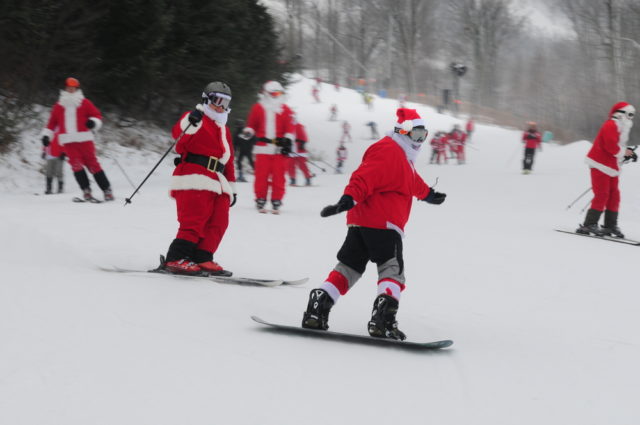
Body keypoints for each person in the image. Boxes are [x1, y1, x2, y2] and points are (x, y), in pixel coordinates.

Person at [301, 108, 447, 340]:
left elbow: (410, 181)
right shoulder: (388, 151)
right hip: (384, 225)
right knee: (392, 270)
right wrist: (347, 199)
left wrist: (428, 195)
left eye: (424, 136)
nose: (420, 142)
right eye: (417, 135)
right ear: (403, 132)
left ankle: (319, 305)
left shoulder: (401, 156)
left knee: (349, 268)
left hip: (361, 223)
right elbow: (364, 177)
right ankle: (383, 320)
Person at [161, 81, 237, 275]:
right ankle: (176, 257)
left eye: (225, 103)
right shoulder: (195, 118)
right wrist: (191, 122)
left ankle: (202, 257)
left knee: (220, 221)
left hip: (218, 180)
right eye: (216, 101)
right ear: (205, 99)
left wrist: (232, 187)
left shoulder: (223, 128)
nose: (220, 107)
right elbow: (178, 139)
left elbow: (229, 160)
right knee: (194, 220)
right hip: (194, 176)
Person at [41, 77, 114, 201]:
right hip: (69, 142)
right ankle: (86, 191)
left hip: (85, 140)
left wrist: (93, 122)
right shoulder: (59, 106)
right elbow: (51, 124)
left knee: (93, 165)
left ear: (76, 88)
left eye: (73, 87)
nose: (71, 89)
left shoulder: (84, 103)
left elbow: (97, 116)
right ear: (65, 88)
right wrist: (46, 135)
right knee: (76, 166)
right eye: (69, 87)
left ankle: (107, 190)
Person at [577, 102, 636, 237]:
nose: (630, 119)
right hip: (599, 164)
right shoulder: (610, 125)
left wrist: (627, 155)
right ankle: (588, 224)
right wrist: (624, 153)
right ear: (621, 114)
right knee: (602, 194)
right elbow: (610, 146)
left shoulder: (619, 129)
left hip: (611, 166)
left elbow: (617, 149)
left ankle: (610, 226)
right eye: (630, 115)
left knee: (614, 196)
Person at [242, 80, 296, 214]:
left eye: (278, 93)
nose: (275, 96)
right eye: (272, 93)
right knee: (261, 176)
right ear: (266, 93)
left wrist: (288, 141)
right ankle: (260, 198)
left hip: (279, 149)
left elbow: (290, 128)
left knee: (279, 176)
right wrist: (249, 131)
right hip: (262, 148)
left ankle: (276, 199)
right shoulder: (258, 108)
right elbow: (252, 124)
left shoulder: (286, 110)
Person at [288, 120, 314, 186]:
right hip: (291, 150)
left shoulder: (299, 126)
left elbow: (304, 136)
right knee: (290, 166)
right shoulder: (287, 125)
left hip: (300, 150)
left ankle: (308, 178)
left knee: (302, 165)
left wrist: (302, 143)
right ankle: (292, 179)